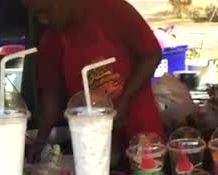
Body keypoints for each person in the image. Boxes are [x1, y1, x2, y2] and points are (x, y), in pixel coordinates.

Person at [24, 0, 165, 163]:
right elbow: (52, 94)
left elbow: (152, 55)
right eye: (37, 15)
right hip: (95, 139)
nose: (43, 20)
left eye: (45, 11)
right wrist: (40, 141)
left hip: (140, 125)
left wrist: (125, 100)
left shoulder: (113, 9)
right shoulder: (51, 40)